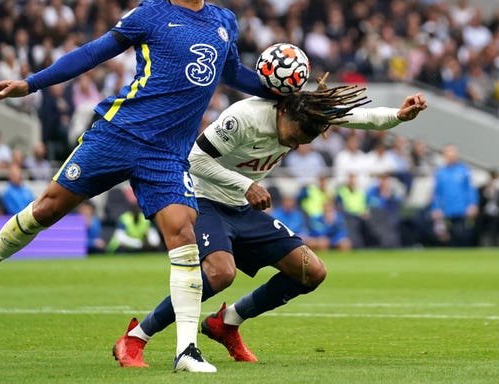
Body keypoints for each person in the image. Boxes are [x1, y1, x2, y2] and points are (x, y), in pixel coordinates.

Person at [0, 0, 280, 373]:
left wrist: (278, 91)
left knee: (183, 233)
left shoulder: (224, 21)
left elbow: (233, 75)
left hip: (167, 153)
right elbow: (93, 52)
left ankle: (186, 350)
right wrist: (31, 83)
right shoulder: (150, 14)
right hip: (118, 133)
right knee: (47, 209)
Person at [112, 83, 427, 368]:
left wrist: (398, 116)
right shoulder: (244, 117)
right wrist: (246, 185)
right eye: (294, 138)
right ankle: (137, 337)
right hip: (204, 199)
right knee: (221, 273)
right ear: (286, 113)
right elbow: (194, 159)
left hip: (239, 205)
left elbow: (360, 116)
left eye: (302, 143)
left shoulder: (310, 115)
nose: (294, 145)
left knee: (311, 271)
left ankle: (227, 322)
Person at [429, 144, 479, 246]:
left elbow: (470, 189)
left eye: (453, 153)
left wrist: (473, 204)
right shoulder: (440, 173)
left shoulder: (464, 170)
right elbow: (437, 193)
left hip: (462, 210)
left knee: (463, 237)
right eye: (448, 153)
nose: (451, 155)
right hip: (446, 211)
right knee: (447, 240)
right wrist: (435, 208)